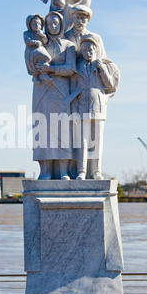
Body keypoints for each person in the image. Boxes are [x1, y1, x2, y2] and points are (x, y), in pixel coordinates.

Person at [31, 11, 76, 180]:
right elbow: (31, 62)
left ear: (61, 24)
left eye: (56, 22)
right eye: (50, 23)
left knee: (62, 130)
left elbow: (71, 68)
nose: (53, 26)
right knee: (42, 130)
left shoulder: (68, 46)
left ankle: (63, 170)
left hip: (61, 90)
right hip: (42, 90)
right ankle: (45, 171)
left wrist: (51, 69)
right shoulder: (39, 45)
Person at [71, 36, 118, 180]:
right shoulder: (77, 66)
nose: (88, 53)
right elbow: (72, 86)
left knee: (97, 140)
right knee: (82, 141)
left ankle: (96, 170)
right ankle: (82, 170)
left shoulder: (101, 65)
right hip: (81, 105)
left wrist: (102, 69)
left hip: (98, 105)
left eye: (90, 50)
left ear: (96, 50)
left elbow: (109, 85)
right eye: (84, 50)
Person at [24, 14, 52, 84]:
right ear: (29, 24)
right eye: (34, 24)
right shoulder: (27, 33)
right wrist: (34, 42)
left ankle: (43, 73)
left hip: (40, 49)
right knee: (32, 64)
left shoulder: (41, 33)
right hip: (31, 51)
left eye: (39, 24)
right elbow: (27, 41)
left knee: (47, 58)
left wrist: (42, 36)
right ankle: (35, 76)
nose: (37, 26)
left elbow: (45, 42)